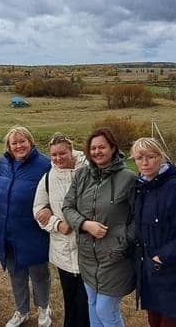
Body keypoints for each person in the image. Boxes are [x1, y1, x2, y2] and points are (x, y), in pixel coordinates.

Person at [62, 128, 137, 327]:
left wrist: (123, 244)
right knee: (92, 304)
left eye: (102, 147)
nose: (97, 152)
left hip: (114, 258)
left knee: (106, 310)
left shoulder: (128, 178)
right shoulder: (81, 176)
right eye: (93, 148)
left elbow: (138, 218)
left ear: (112, 148)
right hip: (87, 256)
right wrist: (85, 224)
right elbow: (67, 206)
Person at [129, 138, 176, 327]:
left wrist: (161, 257)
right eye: (139, 158)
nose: (144, 163)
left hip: (174, 277)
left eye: (150, 157)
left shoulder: (174, 188)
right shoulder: (141, 187)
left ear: (160, 157)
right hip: (151, 276)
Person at [0, 126, 53, 327]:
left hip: (33, 231)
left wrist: (50, 211)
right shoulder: (2, 163)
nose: (19, 146)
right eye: (14, 143)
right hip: (6, 231)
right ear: (8, 146)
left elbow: (58, 194)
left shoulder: (45, 164)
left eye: (22, 141)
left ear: (31, 142)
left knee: (39, 273)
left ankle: (44, 309)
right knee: (16, 274)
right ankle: (22, 310)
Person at [33, 134, 90, 327]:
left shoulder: (89, 171)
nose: (58, 159)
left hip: (87, 247)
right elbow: (38, 209)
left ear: (71, 150)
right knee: (70, 298)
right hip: (62, 250)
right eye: (54, 155)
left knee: (86, 302)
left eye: (62, 153)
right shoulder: (49, 177)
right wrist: (56, 223)